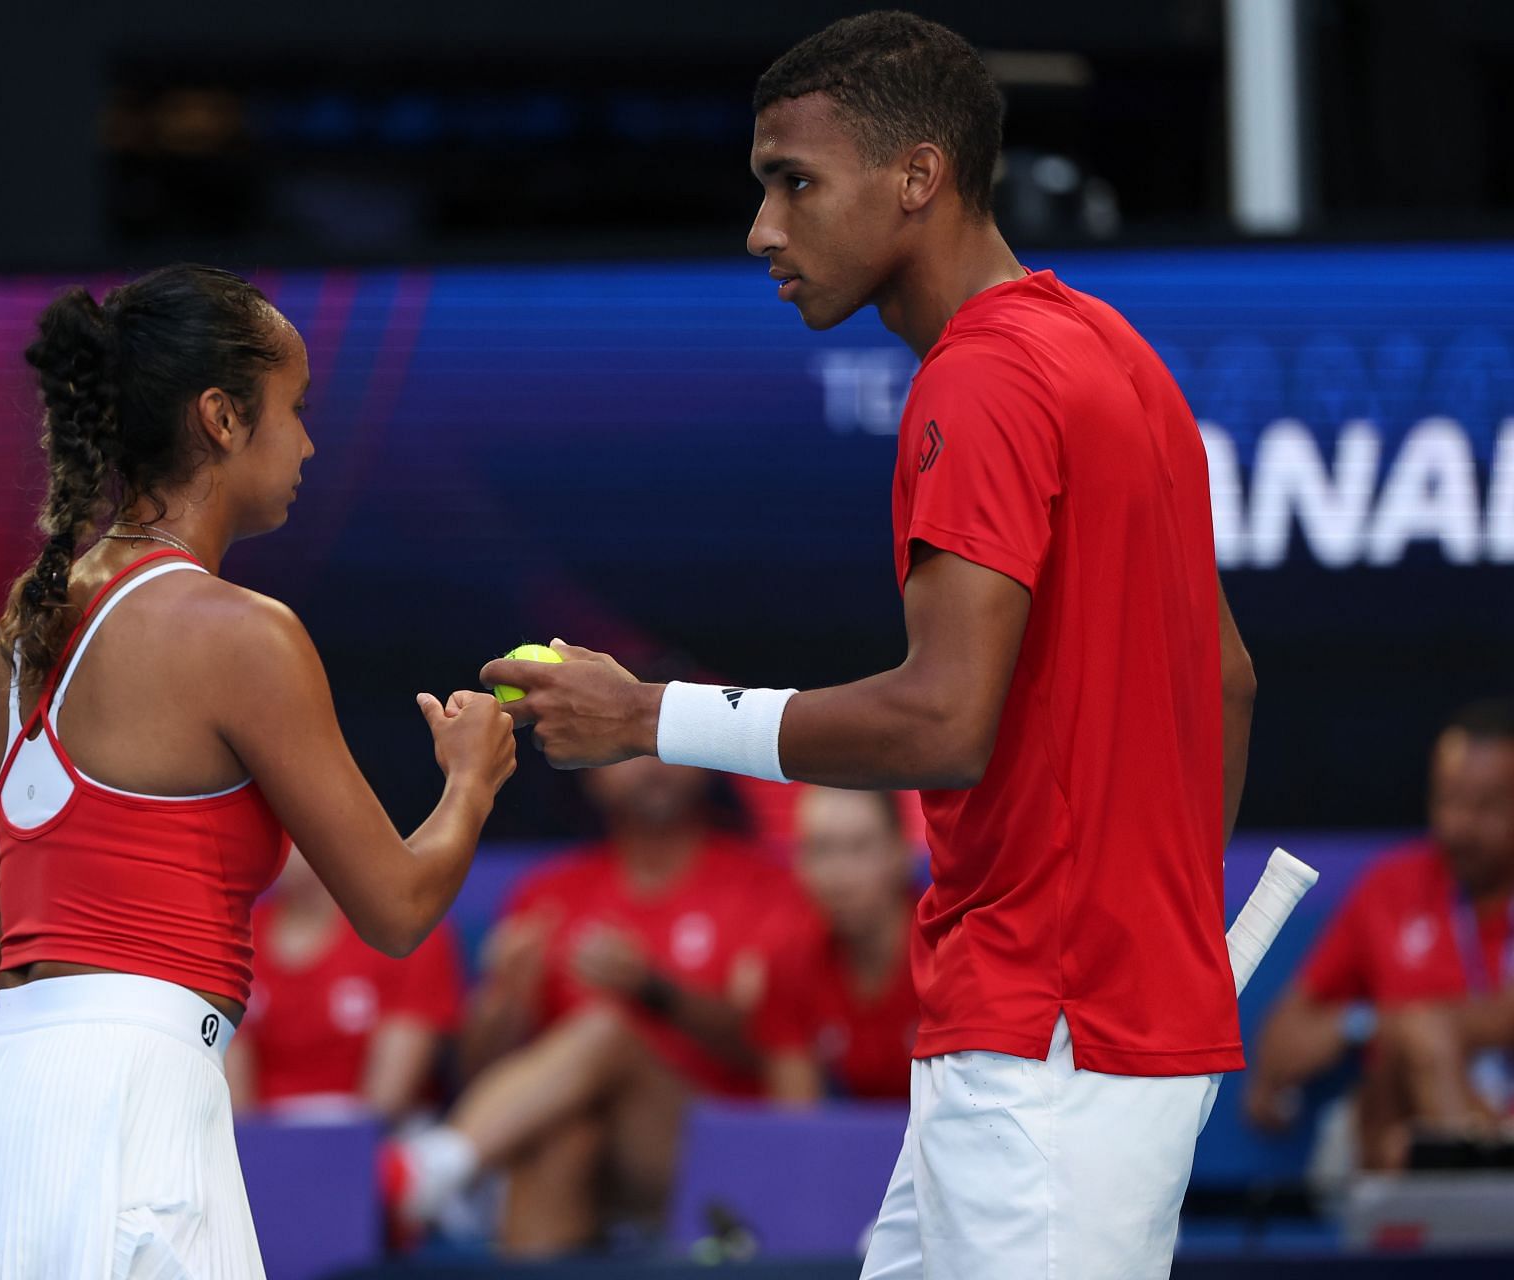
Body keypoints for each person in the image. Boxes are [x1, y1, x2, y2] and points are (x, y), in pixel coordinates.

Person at [479, 13, 1257, 1278]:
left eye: (796, 183)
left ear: (917, 178)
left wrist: (646, 715)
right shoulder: (1112, 349)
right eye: (762, 187)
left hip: (1045, 1038)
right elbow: (1226, 678)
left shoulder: (984, 379)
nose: (763, 230)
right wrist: (1158, 938)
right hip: (1067, 1023)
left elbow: (945, 723)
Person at [0, 264, 516, 1278]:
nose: (312, 442)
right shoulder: (243, 635)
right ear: (224, 416)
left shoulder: (26, 624)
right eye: (298, 408)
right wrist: (470, 779)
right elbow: (398, 906)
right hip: (137, 1102)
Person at [385, 755, 805, 1256]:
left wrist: (655, 991)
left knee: (606, 1030)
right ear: (588, 772)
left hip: (705, 1151)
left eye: (663, 747)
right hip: (584, 1153)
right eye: (625, 753)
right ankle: (441, 1178)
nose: (649, 767)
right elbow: (481, 1074)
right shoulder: (548, 890)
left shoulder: (762, 884)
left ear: (703, 762)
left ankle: (431, 1171)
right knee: (563, 1140)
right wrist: (505, 999)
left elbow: (773, 1048)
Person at [1248, 699, 1514, 1168]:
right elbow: (1278, 1051)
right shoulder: (1391, 889)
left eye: (1485, 807)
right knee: (1416, 1052)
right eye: (1447, 800)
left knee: (1424, 1036)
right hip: (1395, 1137)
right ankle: (1475, 1190)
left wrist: (1440, 1025)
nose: (1458, 825)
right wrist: (1374, 1024)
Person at [228, 846, 462, 1122]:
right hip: (261, 1142)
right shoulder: (232, 935)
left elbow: (387, 1101)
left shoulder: (404, 931)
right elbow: (234, 1106)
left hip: (379, 1140)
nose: (279, 841)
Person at [756, 786, 918, 1102]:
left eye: (859, 848)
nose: (839, 876)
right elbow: (799, 1129)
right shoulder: (787, 963)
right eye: (821, 849)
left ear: (901, 852)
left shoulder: (953, 955)